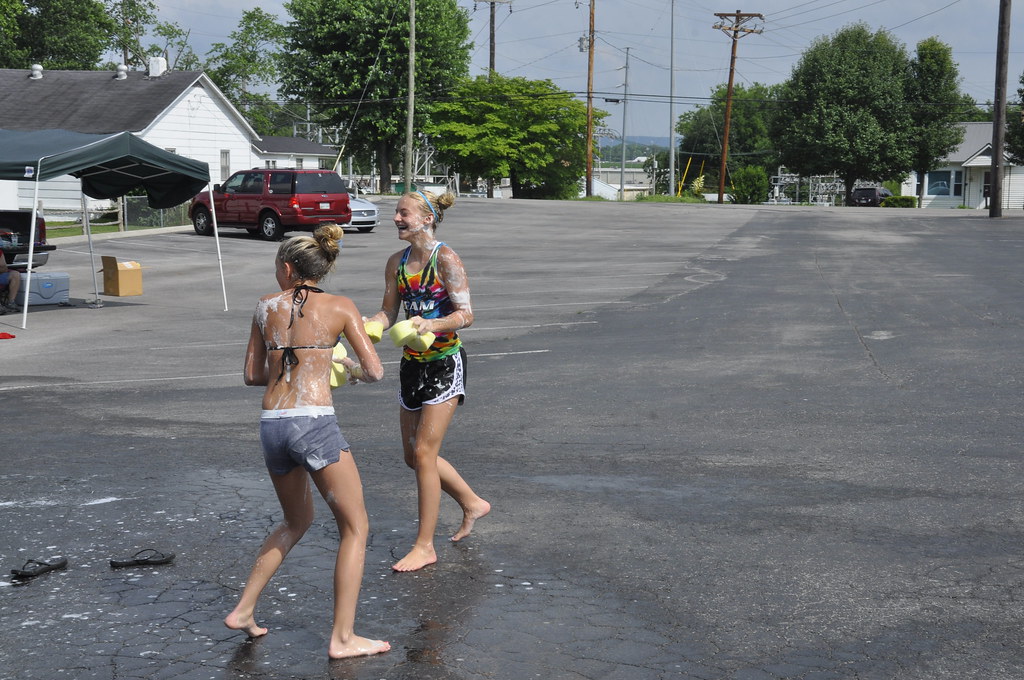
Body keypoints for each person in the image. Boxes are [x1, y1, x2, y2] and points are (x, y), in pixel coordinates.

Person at [224, 223, 390, 659]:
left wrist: (292, 366)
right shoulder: (340, 306)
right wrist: (343, 367)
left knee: (294, 521)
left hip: (273, 424)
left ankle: (243, 609)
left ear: (286, 267)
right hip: (314, 421)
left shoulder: (265, 307)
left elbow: (251, 375)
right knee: (356, 527)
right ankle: (343, 637)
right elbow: (375, 372)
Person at [365, 190, 491, 573]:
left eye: (403, 213)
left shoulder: (446, 259)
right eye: (396, 213)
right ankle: (472, 502)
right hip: (411, 365)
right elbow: (389, 311)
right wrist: (368, 325)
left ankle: (424, 546)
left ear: (426, 218)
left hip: (444, 362)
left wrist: (433, 323)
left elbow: (466, 314)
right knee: (413, 456)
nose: (396, 219)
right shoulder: (396, 263)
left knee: (424, 454)